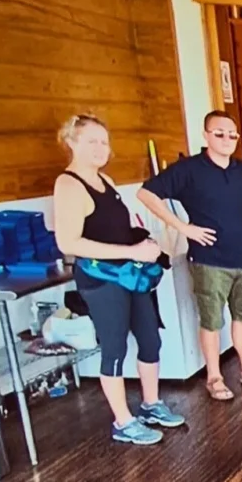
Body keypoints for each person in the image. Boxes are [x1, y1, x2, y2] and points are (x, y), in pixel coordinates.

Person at [52, 114, 184, 445]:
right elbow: (69, 243)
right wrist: (130, 252)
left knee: (150, 339)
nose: (100, 148)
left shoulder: (106, 181)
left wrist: (144, 245)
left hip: (129, 273)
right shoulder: (68, 185)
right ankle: (123, 421)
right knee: (115, 347)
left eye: (104, 141)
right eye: (91, 141)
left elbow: (118, 228)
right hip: (100, 278)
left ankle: (151, 404)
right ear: (72, 143)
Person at [138, 110, 242, 402]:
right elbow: (146, 194)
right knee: (212, 320)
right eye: (219, 133)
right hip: (209, 259)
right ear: (205, 135)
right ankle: (214, 377)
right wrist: (184, 228)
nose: (227, 139)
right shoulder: (189, 170)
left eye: (232, 135)